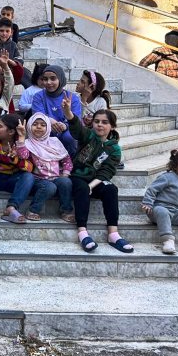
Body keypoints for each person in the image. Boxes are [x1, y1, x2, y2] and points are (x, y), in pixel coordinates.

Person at [61, 95, 133, 253]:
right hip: (78, 176)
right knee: (81, 188)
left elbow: (107, 171)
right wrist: (68, 112)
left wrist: (91, 186)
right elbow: (77, 128)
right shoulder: (88, 136)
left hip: (96, 181)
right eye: (97, 121)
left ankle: (113, 234)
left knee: (111, 189)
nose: (100, 124)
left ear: (112, 126)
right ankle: (82, 232)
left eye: (105, 122)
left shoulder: (114, 149)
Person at [23, 112, 74, 222]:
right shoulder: (27, 143)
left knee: (66, 182)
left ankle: (66, 210)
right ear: (29, 126)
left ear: (48, 128)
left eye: (43, 125)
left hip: (55, 177)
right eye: (35, 124)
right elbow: (23, 156)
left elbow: (66, 160)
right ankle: (33, 210)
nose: (39, 127)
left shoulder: (55, 142)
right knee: (50, 187)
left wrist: (65, 173)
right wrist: (21, 140)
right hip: (37, 179)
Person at [0, 113, 35, 224]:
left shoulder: (21, 145)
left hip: (12, 180)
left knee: (28, 177)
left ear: (11, 132)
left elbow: (29, 167)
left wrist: (16, 158)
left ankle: (11, 208)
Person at [31, 65, 82, 156]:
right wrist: (49, 121)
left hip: (67, 129)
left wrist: (65, 125)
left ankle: (71, 161)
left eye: (53, 78)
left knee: (69, 137)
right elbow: (37, 115)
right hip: (45, 128)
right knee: (42, 133)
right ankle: (45, 162)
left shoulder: (72, 98)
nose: (48, 82)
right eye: (45, 79)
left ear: (60, 79)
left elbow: (76, 119)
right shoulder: (38, 96)